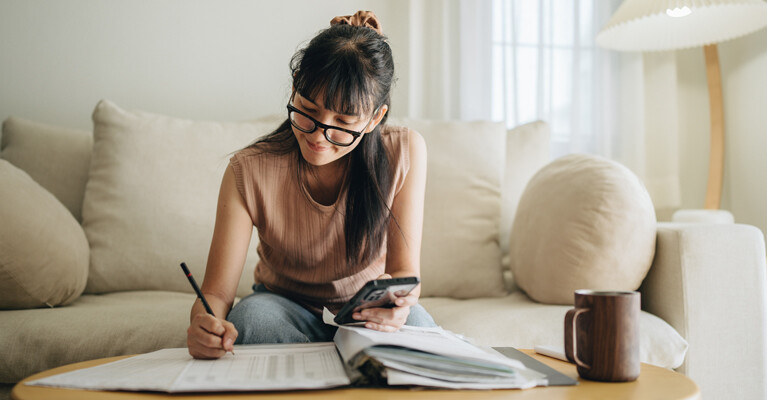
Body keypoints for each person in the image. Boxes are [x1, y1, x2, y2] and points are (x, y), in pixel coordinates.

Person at [186, 10, 436, 360]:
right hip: (283, 306)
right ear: (294, 85)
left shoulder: (404, 151)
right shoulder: (249, 169)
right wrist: (203, 321)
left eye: (343, 122)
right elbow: (216, 293)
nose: (320, 136)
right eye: (307, 110)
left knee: (421, 332)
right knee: (251, 321)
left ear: (374, 118)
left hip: (366, 311)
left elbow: (405, 273)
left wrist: (399, 305)